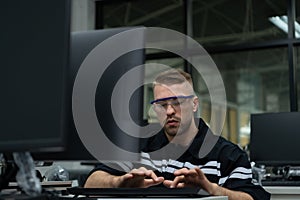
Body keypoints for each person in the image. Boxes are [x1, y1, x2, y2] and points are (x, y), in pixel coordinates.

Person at [84, 69, 270, 200]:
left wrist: (210, 189)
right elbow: (90, 183)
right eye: (162, 105)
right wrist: (120, 183)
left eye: (177, 102)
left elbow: (253, 197)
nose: (170, 111)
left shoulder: (227, 155)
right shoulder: (138, 146)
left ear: (195, 104)